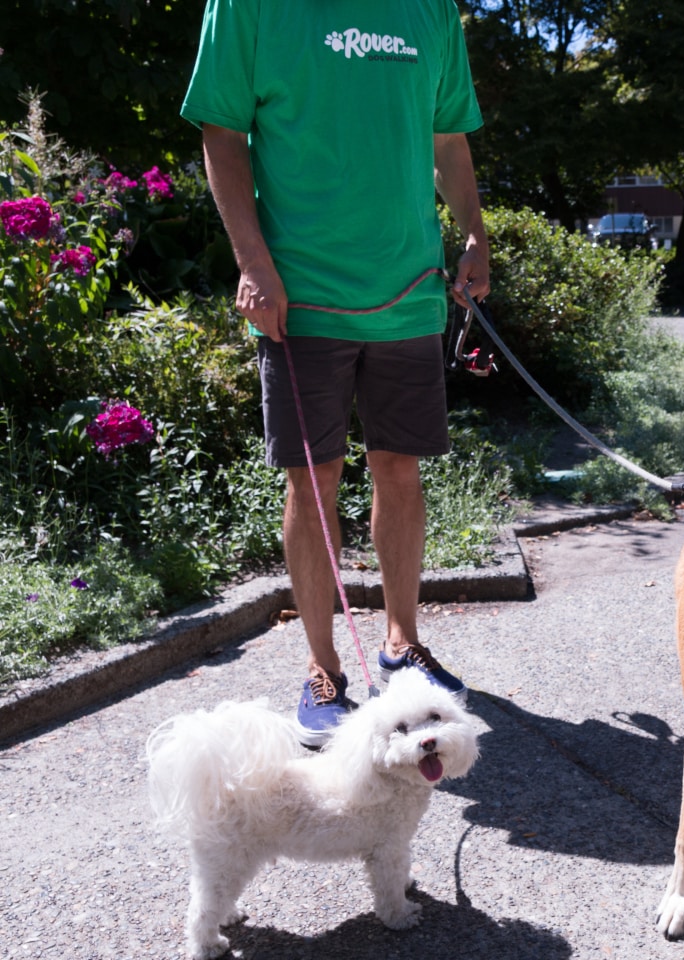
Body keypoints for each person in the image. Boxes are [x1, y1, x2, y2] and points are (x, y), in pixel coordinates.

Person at [181, 0, 490, 746]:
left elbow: (448, 139)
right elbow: (221, 135)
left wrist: (475, 234)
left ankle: (401, 643)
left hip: (408, 293)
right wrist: (254, 263)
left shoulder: (429, 12)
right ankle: (323, 671)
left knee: (400, 471)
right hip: (301, 297)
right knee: (312, 483)